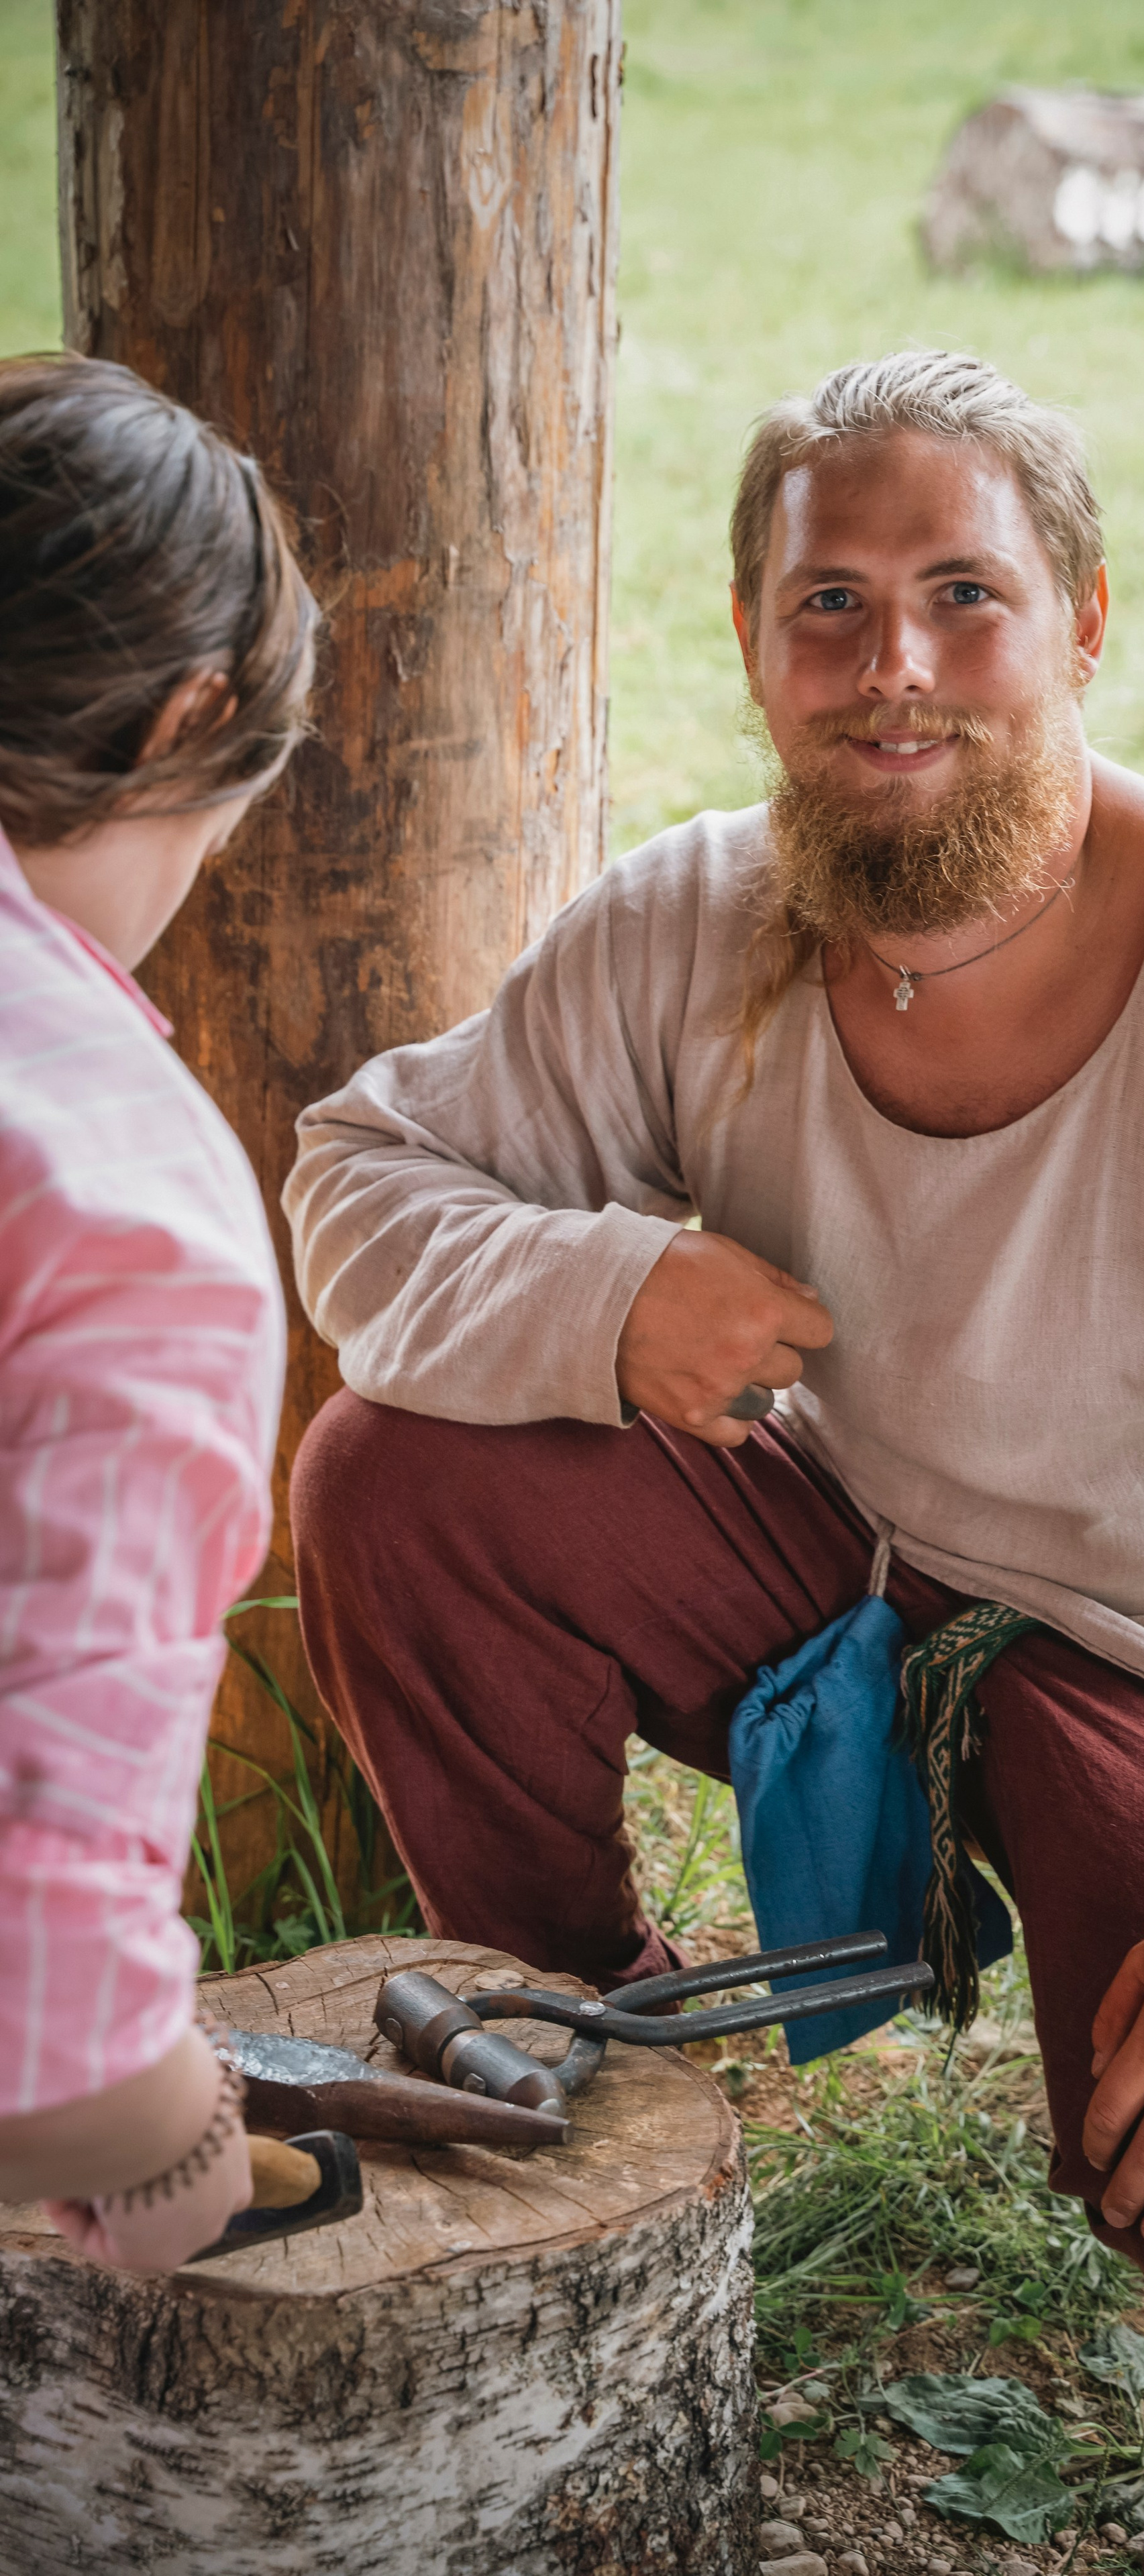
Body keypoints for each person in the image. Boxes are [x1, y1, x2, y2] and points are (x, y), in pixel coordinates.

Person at [284, 352, 1144, 2345]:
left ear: (1085, 624)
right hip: (851, 1569)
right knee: (399, 1472)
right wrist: (604, 1302)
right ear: (756, 645)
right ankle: (588, 2068)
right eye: (831, 606)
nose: (895, 669)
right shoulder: (699, 920)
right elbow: (367, 1171)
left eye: (965, 593)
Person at [0, 356, 316, 2271]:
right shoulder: (116, 1191)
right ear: (186, 722)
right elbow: (33, 1980)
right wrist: (173, 2143)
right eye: (221, 828)